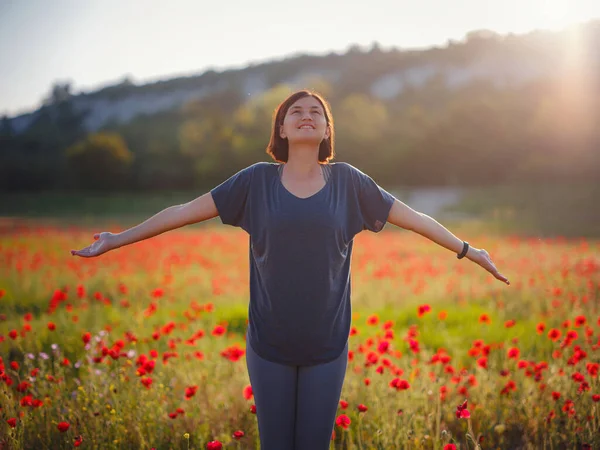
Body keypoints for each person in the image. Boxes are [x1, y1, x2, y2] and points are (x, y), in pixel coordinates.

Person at [71, 89, 510, 449]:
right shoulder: (254, 182)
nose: (306, 115)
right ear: (281, 129)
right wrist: (116, 239)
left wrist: (468, 249)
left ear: (326, 130)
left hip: (327, 344)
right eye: (294, 111)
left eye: (315, 111)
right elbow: (183, 211)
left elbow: (414, 218)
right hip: (269, 344)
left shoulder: (350, 183)